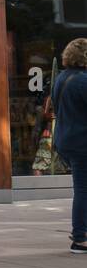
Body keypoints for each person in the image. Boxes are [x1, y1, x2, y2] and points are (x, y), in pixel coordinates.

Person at [51, 37, 87, 254]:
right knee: (83, 189)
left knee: (82, 187)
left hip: (66, 139)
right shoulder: (82, 80)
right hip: (82, 141)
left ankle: (81, 233)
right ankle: (80, 238)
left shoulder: (62, 78)